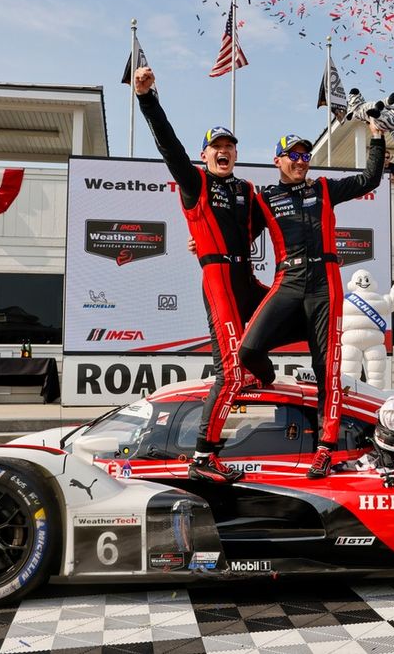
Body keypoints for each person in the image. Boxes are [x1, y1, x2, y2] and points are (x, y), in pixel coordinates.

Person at [131, 66, 268, 484]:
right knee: (229, 371)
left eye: (229, 146)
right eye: (216, 146)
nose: (223, 151)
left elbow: (266, 224)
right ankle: (203, 456)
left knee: (267, 364)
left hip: (248, 280)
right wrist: (148, 99)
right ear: (204, 154)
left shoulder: (247, 189)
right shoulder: (195, 182)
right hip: (219, 283)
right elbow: (170, 147)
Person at [238, 125, 385, 479]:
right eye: (295, 155)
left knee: (327, 370)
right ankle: (267, 378)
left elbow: (369, 180)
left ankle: (325, 449)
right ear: (278, 161)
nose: (302, 161)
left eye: (306, 156)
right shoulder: (265, 197)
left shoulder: (322, 189)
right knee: (248, 350)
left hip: (325, 282)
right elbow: (237, 237)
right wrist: (201, 243)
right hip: (288, 279)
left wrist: (377, 138)